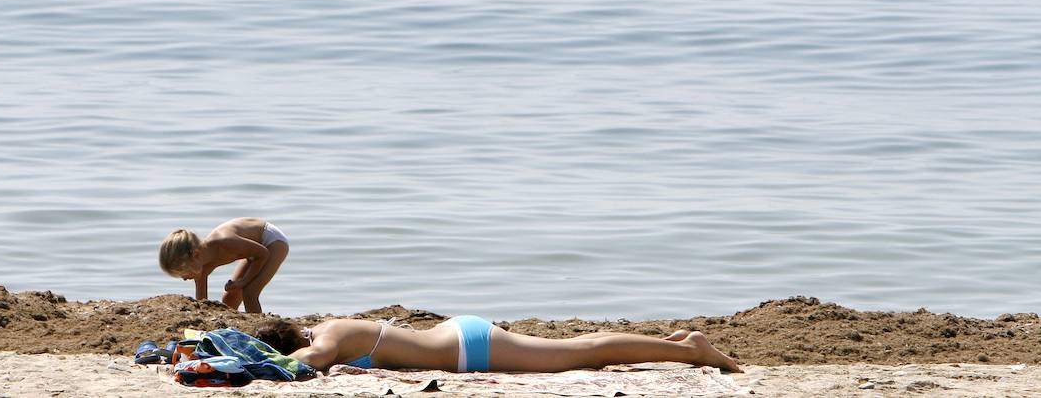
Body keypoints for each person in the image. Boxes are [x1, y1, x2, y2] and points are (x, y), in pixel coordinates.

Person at [254, 316, 741, 373]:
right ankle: (675, 343)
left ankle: (692, 348)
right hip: (459, 341)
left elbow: (308, 362)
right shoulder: (326, 331)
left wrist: (255, 365)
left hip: (471, 348)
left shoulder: (327, 336)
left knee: (584, 352)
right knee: (581, 349)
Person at [158, 217, 289, 314]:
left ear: (195, 255)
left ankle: (260, 336)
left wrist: (243, 281)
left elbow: (263, 254)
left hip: (271, 241)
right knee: (229, 298)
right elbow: (202, 303)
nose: (185, 278)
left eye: (183, 271)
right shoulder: (200, 269)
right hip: (252, 251)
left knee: (250, 292)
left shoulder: (225, 241)